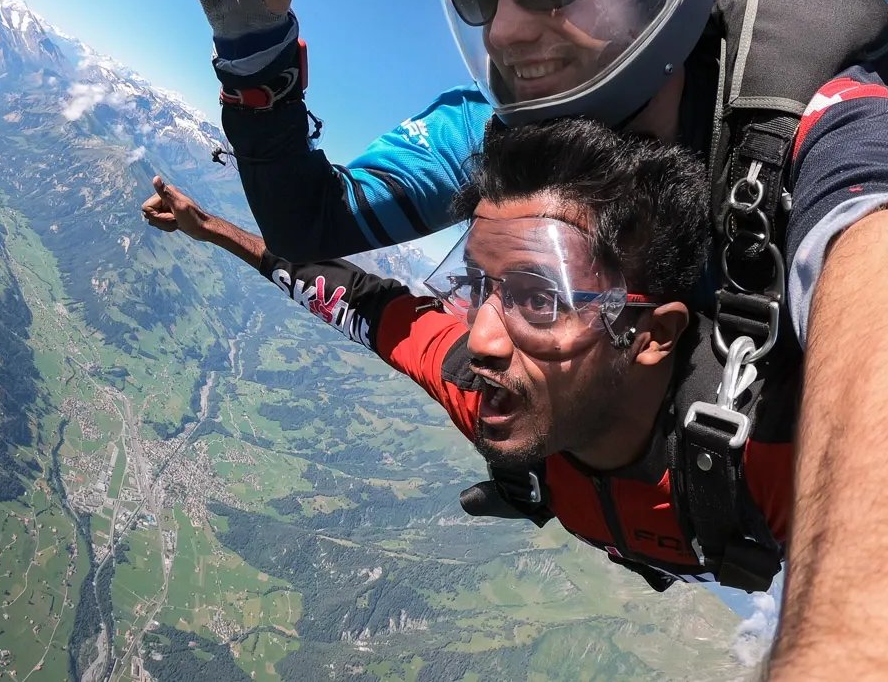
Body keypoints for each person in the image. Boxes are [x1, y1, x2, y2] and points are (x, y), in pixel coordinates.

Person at [181, 0, 888, 678]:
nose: (505, 27)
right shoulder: (496, 131)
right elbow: (313, 229)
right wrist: (253, 50)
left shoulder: (811, 121)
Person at [143, 118, 799, 590]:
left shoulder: (769, 457)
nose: (480, 340)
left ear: (652, 335)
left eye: (540, 301)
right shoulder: (494, 388)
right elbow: (359, 303)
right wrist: (216, 232)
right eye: (478, 285)